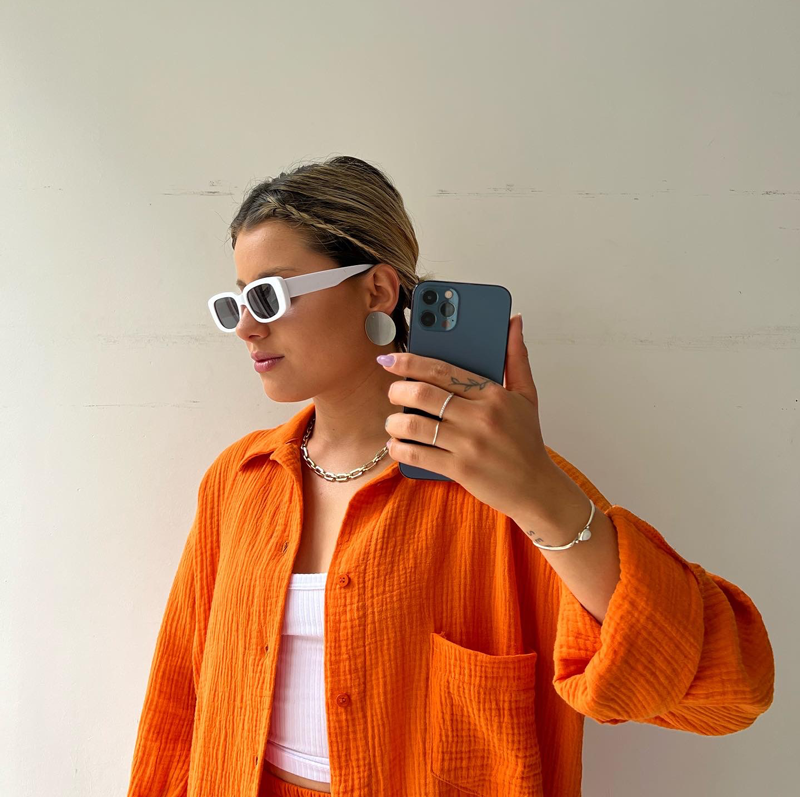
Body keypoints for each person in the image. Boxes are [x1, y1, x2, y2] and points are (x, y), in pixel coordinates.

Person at [126, 155, 775, 797]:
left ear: (376, 291)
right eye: (234, 302)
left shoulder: (506, 487)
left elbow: (730, 692)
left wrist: (541, 497)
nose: (245, 327)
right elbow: (179, 706)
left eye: (269, 295)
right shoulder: (238, 483)